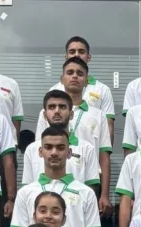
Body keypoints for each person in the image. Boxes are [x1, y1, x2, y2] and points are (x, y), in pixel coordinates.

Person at [37, 57, 114, 214]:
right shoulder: (45, 114)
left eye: (80, 73)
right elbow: (39, 151)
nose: (74, 76)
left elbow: (104, 156)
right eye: (70, 72)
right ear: (62, 78)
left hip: (87, 181)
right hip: (50, 184)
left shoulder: (98, 115)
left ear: (86, 80)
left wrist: (104, 194)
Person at [22, 90, 100, 188]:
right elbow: (28, 189)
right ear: (45, 115)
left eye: (62, 107)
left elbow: (92, 189)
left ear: (71, 114)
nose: (57, 111)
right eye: (51, 107)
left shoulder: (87, 148)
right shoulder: (32, 149)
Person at [49, 36, 116, 142]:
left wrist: (105, 155)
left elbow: (109, 128)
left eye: (81, 51)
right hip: (59, 151)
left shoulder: (102, 89)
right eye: (72, 51)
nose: (76, 55)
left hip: (91, 152)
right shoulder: (54, 90)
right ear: (66, 56)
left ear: (89, 57)